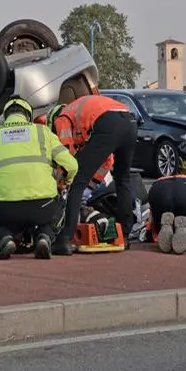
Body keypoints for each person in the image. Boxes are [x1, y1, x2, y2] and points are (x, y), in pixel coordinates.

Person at [0, 95, 78, 260]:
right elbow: (72, 166)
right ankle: (45, 236)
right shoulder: (43, 132)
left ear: (5, 116)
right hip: (43, 208)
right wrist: (63, 182)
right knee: (63, 196)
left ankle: (2, 238)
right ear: (28, 115)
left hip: (5, 210)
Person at [46, 95, 138, 255]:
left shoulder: (62, 117)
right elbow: (106, 161)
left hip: (109, 122)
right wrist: (91, 185)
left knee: (76, 182)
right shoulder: (83, 118)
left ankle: (65, 239)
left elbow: (68, 156)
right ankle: (124, 234)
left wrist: (62, 182)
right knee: (123, 179)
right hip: (130, 122)